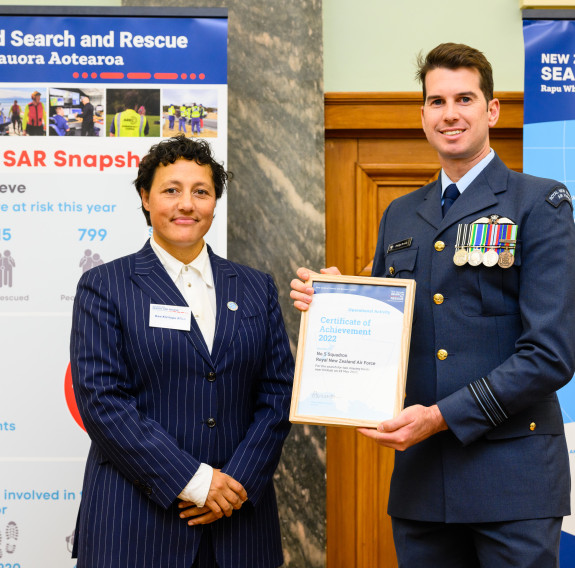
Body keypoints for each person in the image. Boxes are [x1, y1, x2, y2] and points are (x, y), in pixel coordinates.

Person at [291, 43, 575, 568]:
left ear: (491, 110)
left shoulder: (539, 203)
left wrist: (442, 416)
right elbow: (383, 331)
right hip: (424, 485)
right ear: (422, 114)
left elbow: (550, 354)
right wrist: (336, 298)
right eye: (436, 101)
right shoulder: (401, 214)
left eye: (464, 98)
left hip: (513, 480)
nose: (450, 113)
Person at [70, 135, 294, 568]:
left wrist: (235, 485)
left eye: (201, 191)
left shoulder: (255, 287)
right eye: (171, 190)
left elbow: (277, 394)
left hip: (239, 525)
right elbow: (102, 401)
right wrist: (195, 481)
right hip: (135, 524)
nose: (186, 204)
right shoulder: (105, 286)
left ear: (214, 202)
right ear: (145, 198)